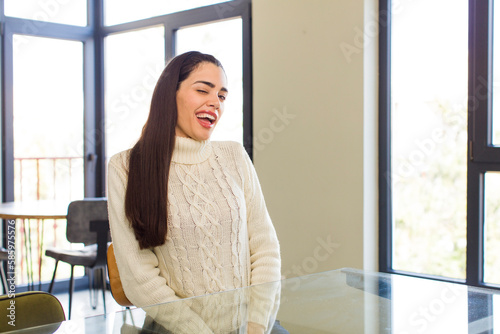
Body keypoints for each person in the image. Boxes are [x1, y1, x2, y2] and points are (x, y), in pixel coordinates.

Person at [107, 51, 282, 333]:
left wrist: (257, 325)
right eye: (203, 90)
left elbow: (265, 249)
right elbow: (139, 277)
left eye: (222, 96)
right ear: (169, 95)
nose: (215, 102)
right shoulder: (125, 168)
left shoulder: (235, 156)